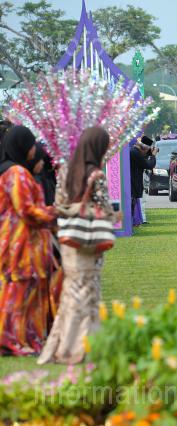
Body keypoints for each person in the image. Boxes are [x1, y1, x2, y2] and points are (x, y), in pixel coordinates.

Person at [38, 127, 118, 365]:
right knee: (88, 295)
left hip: (70, 241)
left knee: (70, 293)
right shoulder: (97, 176)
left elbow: (58, 204)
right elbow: (104, 210)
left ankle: (62, 345)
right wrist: (112, 216)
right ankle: (83, 347)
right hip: (89, 243)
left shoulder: (65, 172)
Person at [0, 126, 57, 356]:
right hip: (21, 245)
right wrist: (57, 213)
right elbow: (28, 210)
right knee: (19, 295)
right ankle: (13, 342)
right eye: (32, 144)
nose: (34, 150)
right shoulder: (17, 173)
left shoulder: (11, 171)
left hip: (18, 243)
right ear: (23, 146)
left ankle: (22, 340)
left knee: (19, 294)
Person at [130, 136, 157, 226]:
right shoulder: (136, 153)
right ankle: (130, 224)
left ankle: (131, 223)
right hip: (133, 183)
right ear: (144, 148)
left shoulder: (134, 151)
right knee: (132, 204)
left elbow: (142, 160)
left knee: (132, 204)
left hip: (132, 182)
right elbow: (149, 165)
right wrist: (153, 155)